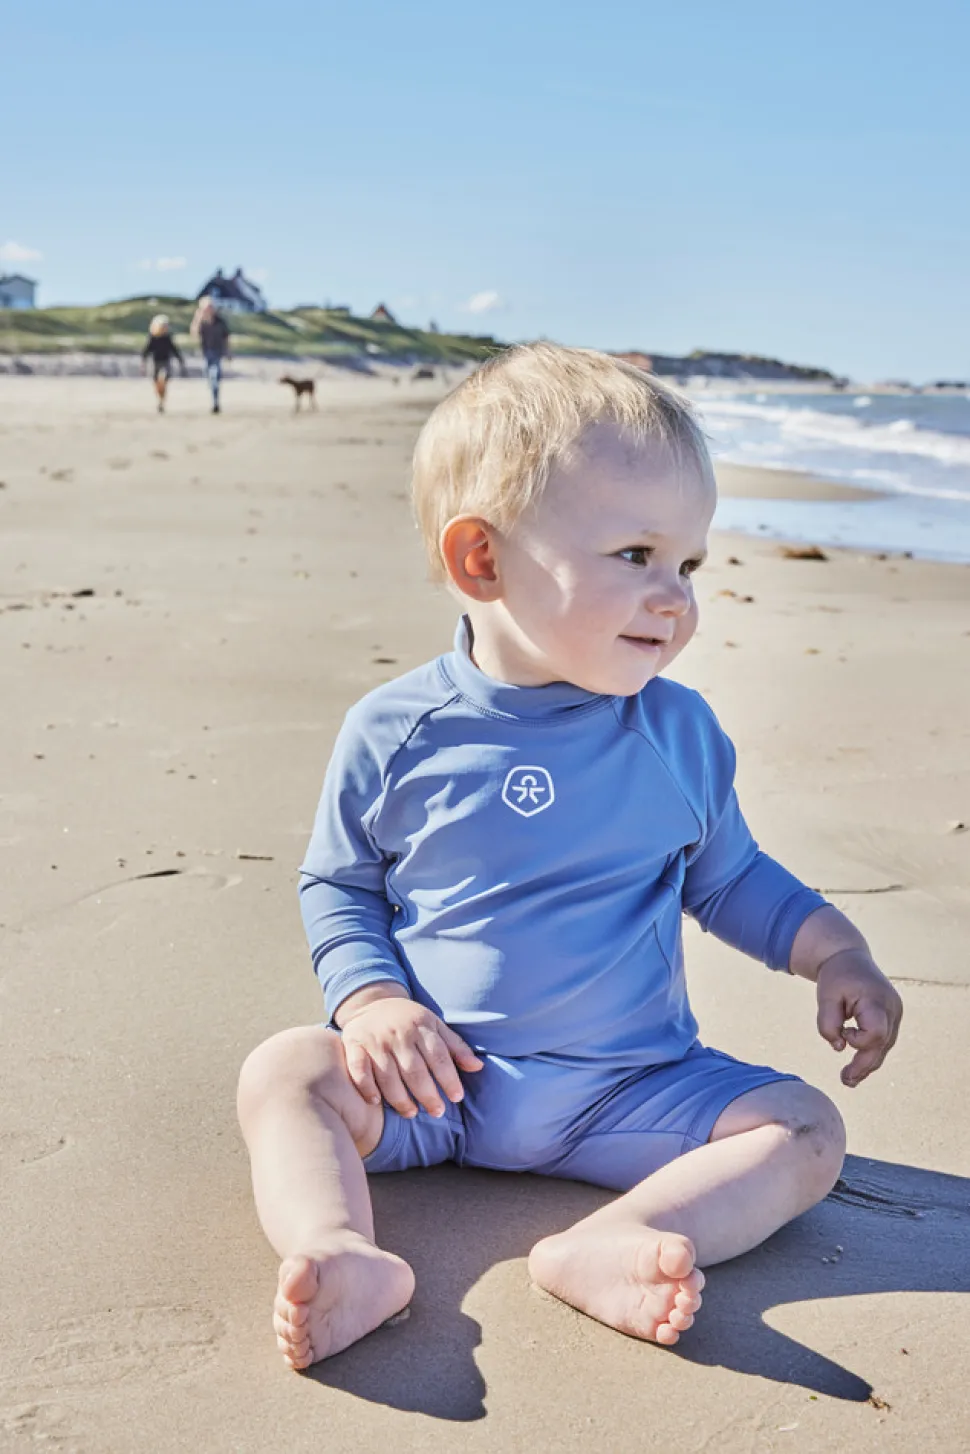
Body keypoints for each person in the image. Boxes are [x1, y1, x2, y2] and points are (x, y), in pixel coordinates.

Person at [236, 344, 903, 1371]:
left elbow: (730, 877)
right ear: (483, 560)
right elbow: (341, 883)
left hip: (627, 1091)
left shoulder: (677, 733)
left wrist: (834, 953)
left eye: (689, 565)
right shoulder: (397, 732)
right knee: (285, 1072)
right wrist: (370, 1004)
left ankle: (621, 1236)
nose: (674, 597)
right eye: (636, 554)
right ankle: (339, 1247)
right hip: (435, 1083)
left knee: (804, 1127)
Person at [190, 295, 231, 413]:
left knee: (215, 376)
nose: (209, 310)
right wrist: (197, 318)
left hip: (218, 352)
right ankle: (214, 396)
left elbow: (226, 337)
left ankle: (215, 402)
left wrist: (228, 352)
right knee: (209, 376)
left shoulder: (220, 321)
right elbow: (194, 333)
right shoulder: (201, 321)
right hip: (206, 353)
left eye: (210, 307)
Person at [140, 314, 185, 413]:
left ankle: (162, 401)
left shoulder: (168, 337)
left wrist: (180, 359)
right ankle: (160, 400)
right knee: (156, 383)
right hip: (155, 361)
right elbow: (146, 350)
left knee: (164, 380)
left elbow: (174, 349)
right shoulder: (152, 338)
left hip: (166, 361)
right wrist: (143, 361)